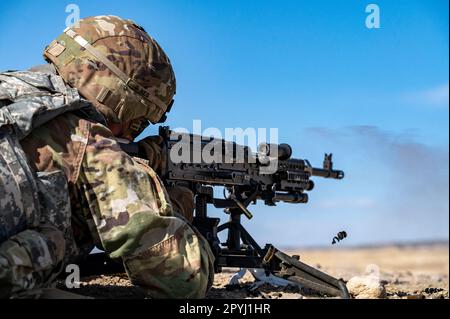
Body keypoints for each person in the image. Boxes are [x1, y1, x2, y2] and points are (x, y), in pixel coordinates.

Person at [0, 15, 214, 298]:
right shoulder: (84, 137)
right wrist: (171, 204)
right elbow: (184, 278)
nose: (131, 134)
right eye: (138, 122)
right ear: (120, 99)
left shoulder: (12, 92)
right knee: (48, 247)